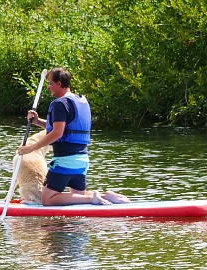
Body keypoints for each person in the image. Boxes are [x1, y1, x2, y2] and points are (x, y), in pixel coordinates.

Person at [18, 68, 127, 205]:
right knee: (76, 197)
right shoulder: (80, 100)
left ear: (59, 83)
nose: (48, 87)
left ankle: (92, 197)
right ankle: (107, 196)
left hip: (65, 160)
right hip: (82, 160)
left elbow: (57, 133)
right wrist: (37, 121)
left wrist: (31, 148)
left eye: (50, 83)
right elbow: (65, 128)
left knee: (47, 200)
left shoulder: (59, 103)